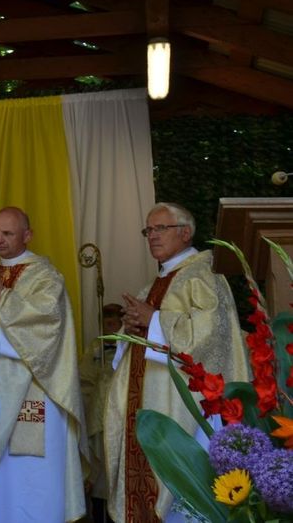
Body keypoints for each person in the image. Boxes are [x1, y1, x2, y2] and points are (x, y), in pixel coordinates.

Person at [104, 202, 249, 523]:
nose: (152, 236)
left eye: (160, 228)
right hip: (149, 403)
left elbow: (211, 336)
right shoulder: (157, 281)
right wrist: (134, 326)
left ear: (185, 233)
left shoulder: (204, 274)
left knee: (182, 496)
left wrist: (153, 319)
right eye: (148, 230)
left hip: (185, 407)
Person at [0, 206, 87, 523]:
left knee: (31, 476)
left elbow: (49, 324)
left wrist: (4, 303)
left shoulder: (46, 278)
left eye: (7, 233)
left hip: (34, 390)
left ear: (27, 235)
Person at [80, 303, 123, 522]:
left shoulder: (129, 343)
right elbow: (85, 380)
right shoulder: (96, 347)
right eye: (107, 324)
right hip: (98, 416)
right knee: (99, 475)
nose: (111, 327)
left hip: (121, 415)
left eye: (114, 323)